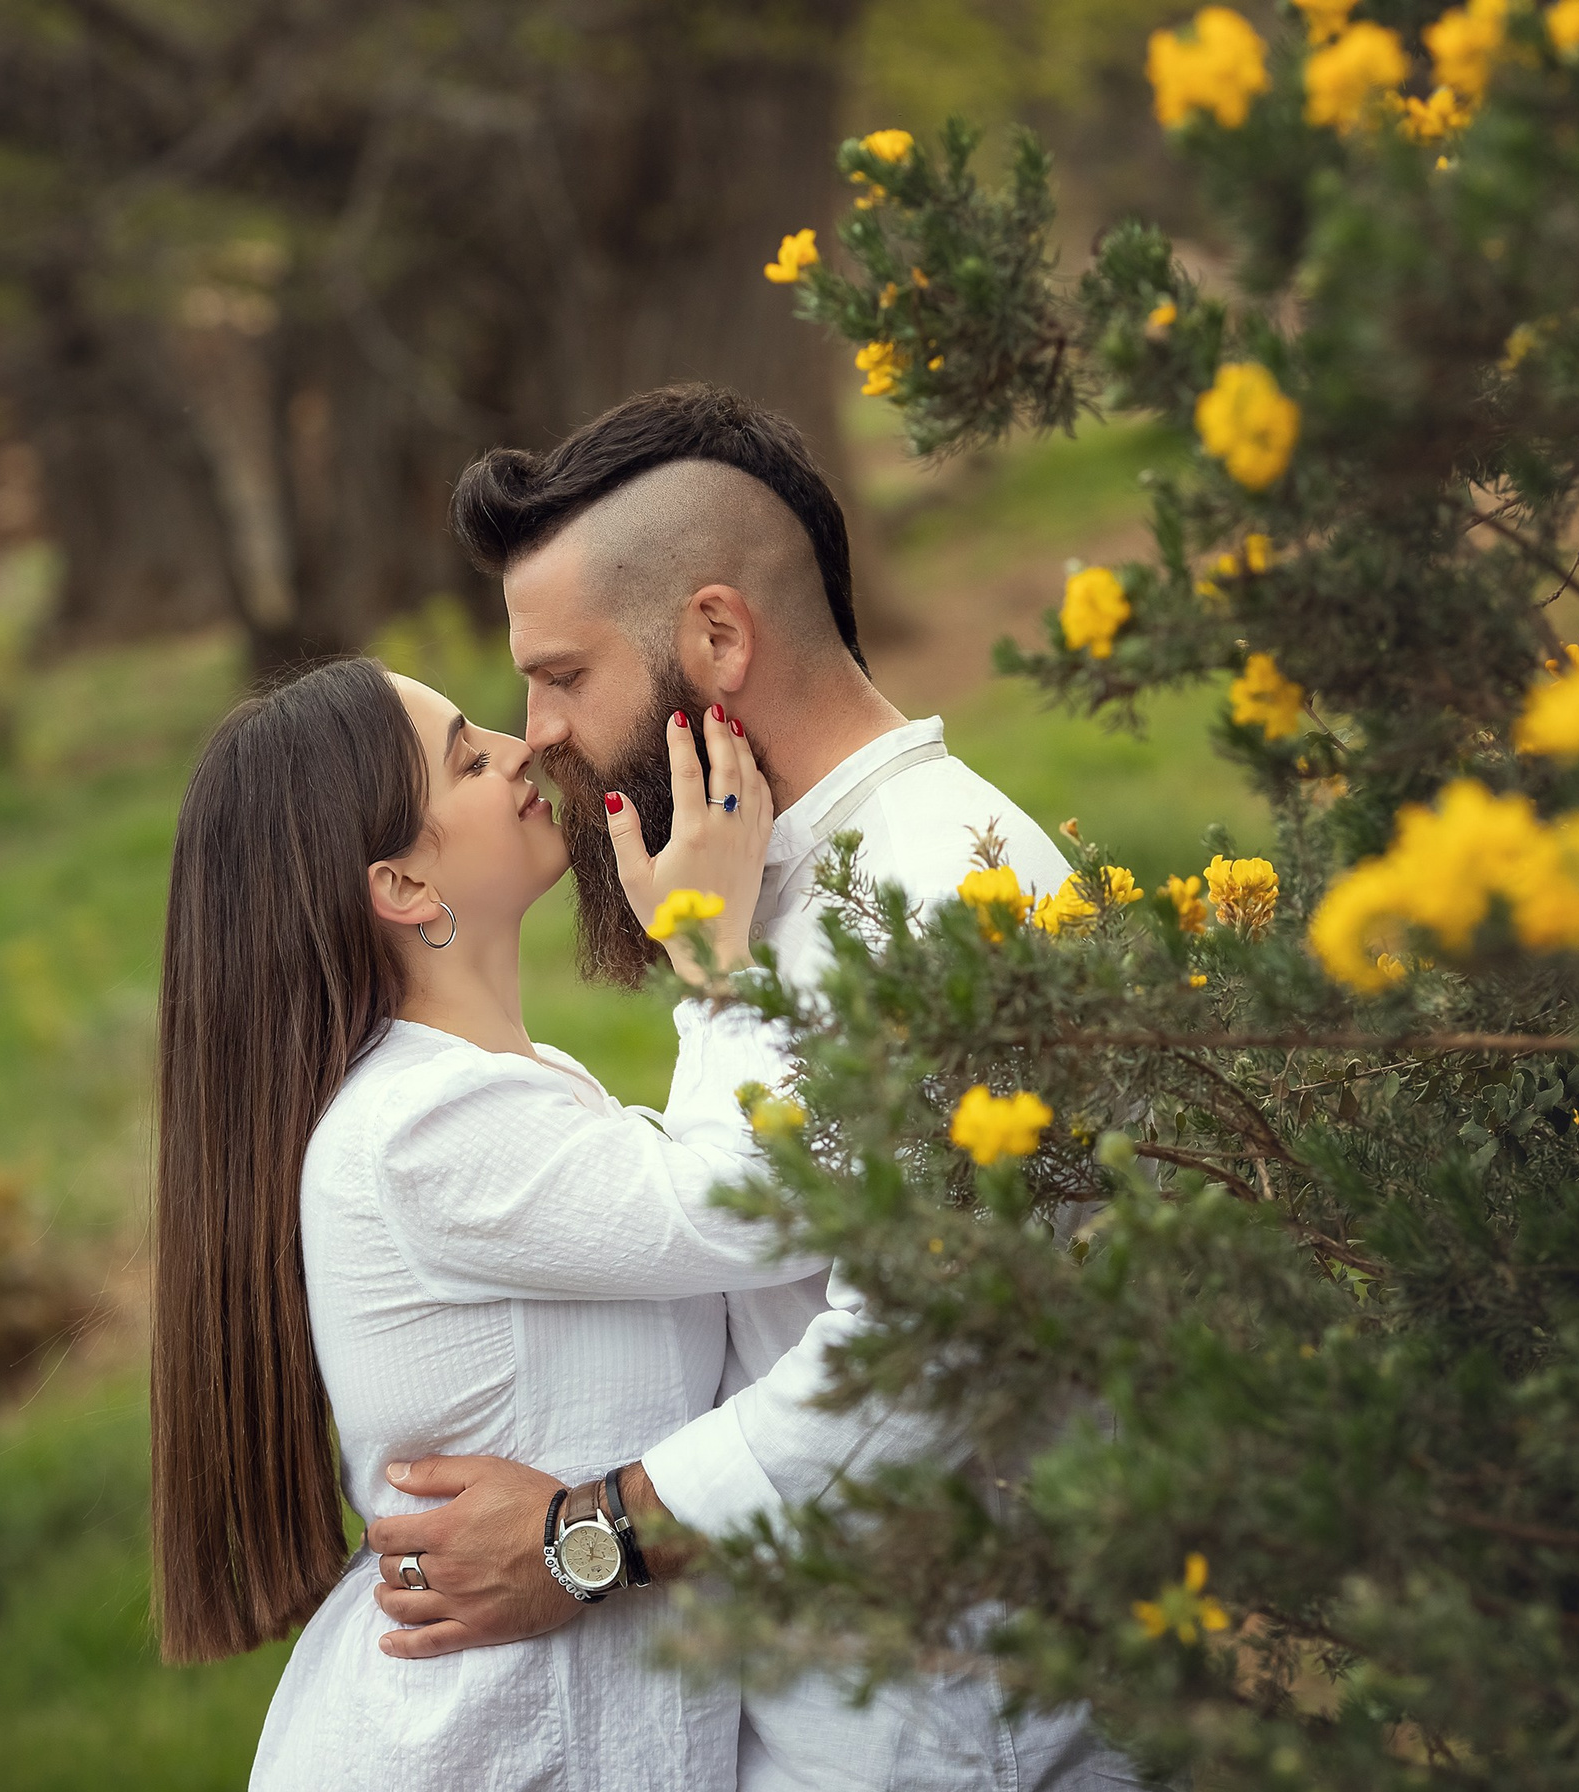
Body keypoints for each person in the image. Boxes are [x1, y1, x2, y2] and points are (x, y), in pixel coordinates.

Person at [362, 385, 1141, 1791]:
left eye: (563, 675)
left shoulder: (938, 894)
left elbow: (922, 1358)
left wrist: (584, 1542)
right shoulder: (762, 877)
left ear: (716, 637)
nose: (536, 732)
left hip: (964, 1735)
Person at [153, 654, 814, 1787]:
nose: (518, 750)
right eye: (466, 757)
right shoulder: (427, 1125)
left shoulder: (510, 1085)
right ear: (403, 888)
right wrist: (712, 960)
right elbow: (761, 1202)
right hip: (475, 1750)